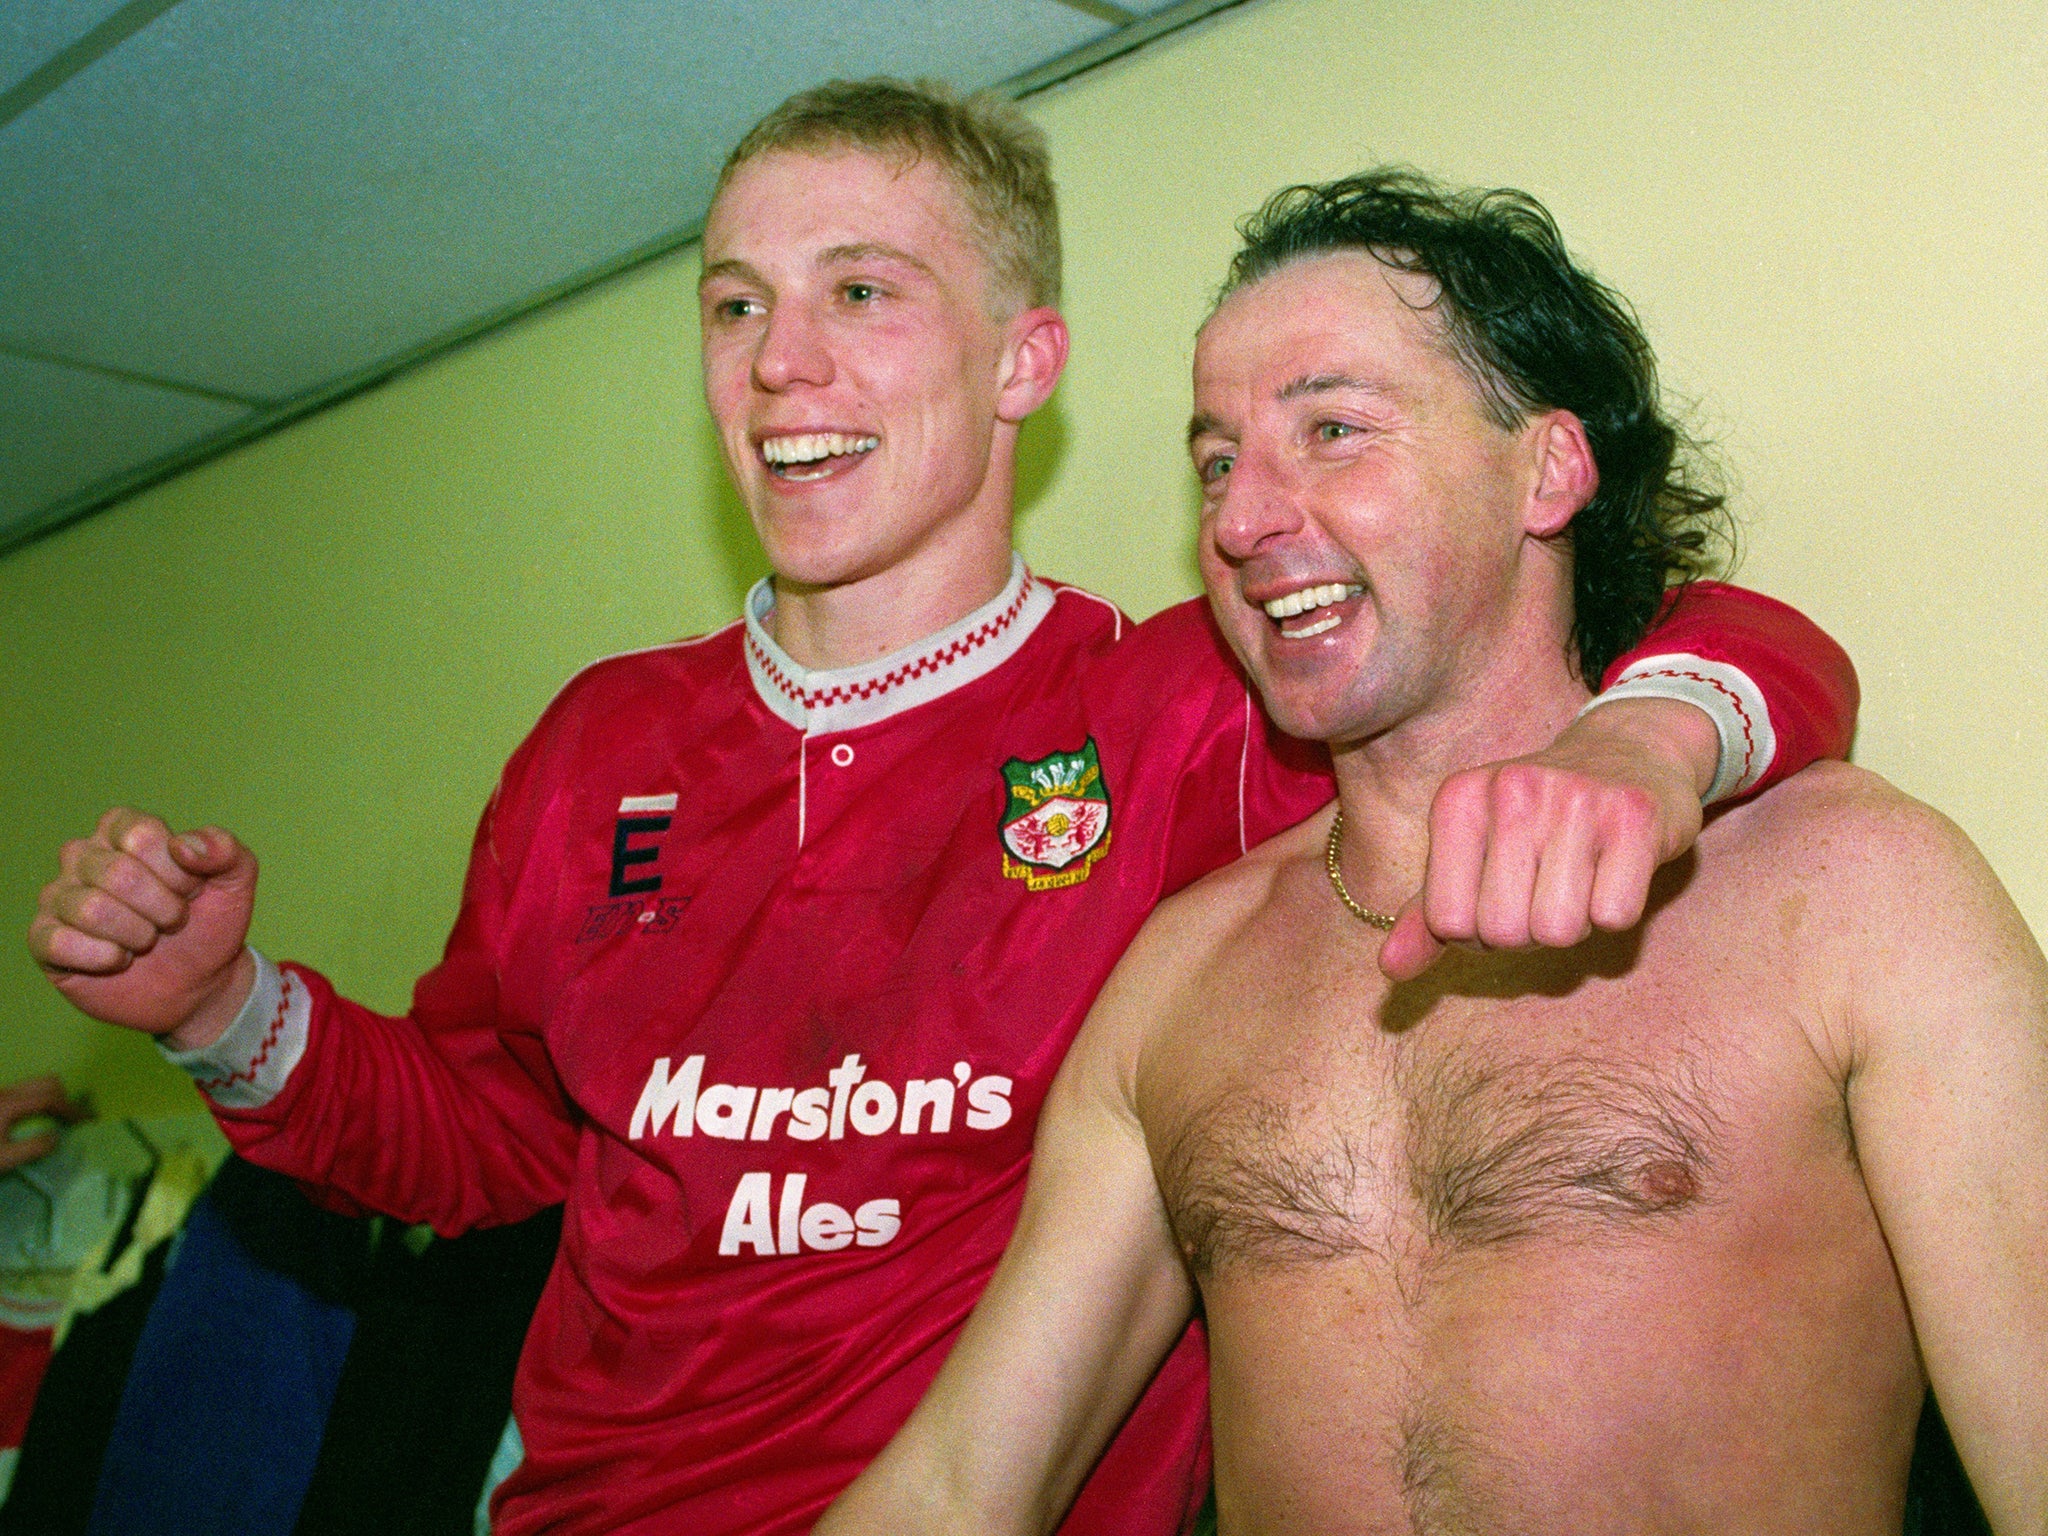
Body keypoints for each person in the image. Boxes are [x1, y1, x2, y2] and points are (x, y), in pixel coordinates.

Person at [25, 86, 1857, 1536]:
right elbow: (497, 1141)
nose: (778, 363)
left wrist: (1658, 734)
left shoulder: (1181, 707)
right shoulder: (599, 744)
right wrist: (221, 1010)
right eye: (734, 304)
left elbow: (1645, 625)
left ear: (1022, 367)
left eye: (861, 292)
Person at [815, 169, 2048, 1536]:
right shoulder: (1181, 979)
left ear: (1548, 469)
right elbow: (958, 1484)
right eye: (1217, 461)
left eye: (1333, 429)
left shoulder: (1860, 895)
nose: (1238, 521)